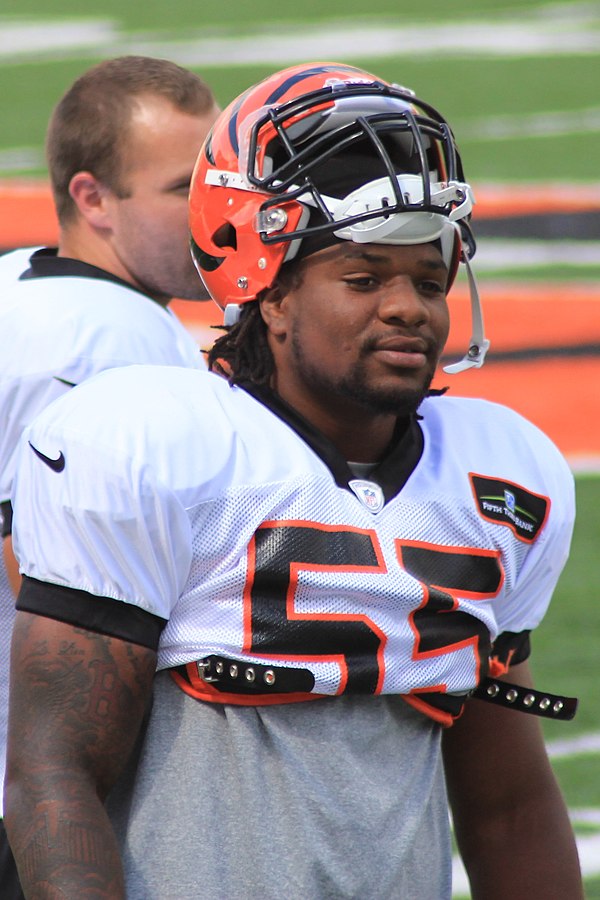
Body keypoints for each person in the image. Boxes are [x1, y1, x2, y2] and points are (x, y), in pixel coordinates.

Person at [5, 62, 583, 899]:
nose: (408, 308)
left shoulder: (497, 479)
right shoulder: (157, 446)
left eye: (429, 279)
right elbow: (56, 775)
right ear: (267, 293)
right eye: (363, 278)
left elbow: (509, 808)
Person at [0, 54, 219, 897]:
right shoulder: (106, 337)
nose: (213, 215)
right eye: (180, 191)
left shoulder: (29, 282)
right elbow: (49, 574)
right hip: (42, 790)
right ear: (92, 198)